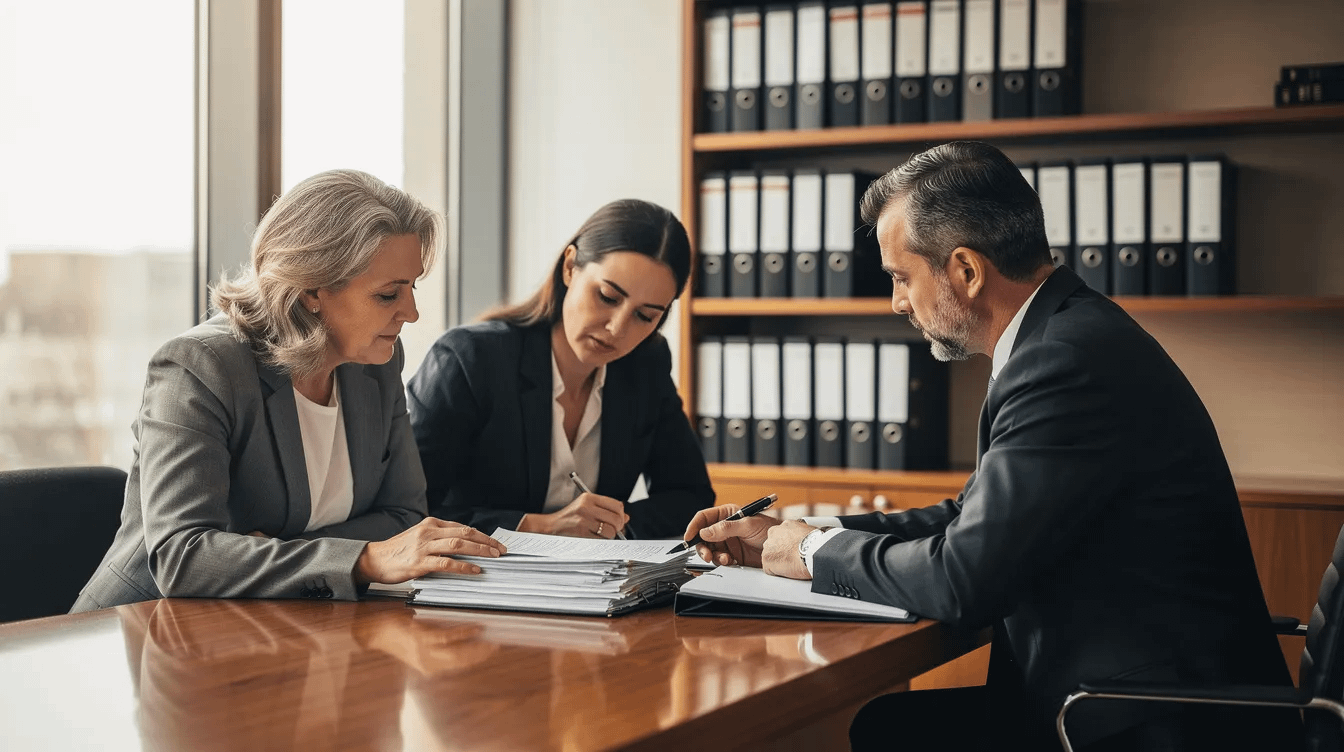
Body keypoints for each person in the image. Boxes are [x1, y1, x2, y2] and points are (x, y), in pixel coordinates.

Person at [683, 142, 1301, 750]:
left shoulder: (1063, 362)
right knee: (889, 727)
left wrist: (817, 550)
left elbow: (964, 579)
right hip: (1122, 696)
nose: (897, 301)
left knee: (888, 731)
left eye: (901, 277)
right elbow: (968, 518)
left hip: (1148, 722)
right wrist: (795, 533)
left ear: (967, 271)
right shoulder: (1067, 336)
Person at [73, 169, 506, 612]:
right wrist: (362, 558)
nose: (411, 313)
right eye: (387, 295)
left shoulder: (375, 366)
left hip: (283, 627)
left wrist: (282, 550)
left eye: (411, 287)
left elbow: (404, 518)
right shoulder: (199, 366)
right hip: (144, 634)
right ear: (310, 291)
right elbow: (181, 556)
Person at [408, 199, 714, 540]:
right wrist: (537, 527)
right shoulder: (469, 359)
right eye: (608, 297)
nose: (617, 328)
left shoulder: (646, 365)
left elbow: (691, 498)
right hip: (475, 581)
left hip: (593, 587)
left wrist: (607, 524)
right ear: (570, 267)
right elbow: (408, 509)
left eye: (645, 316)